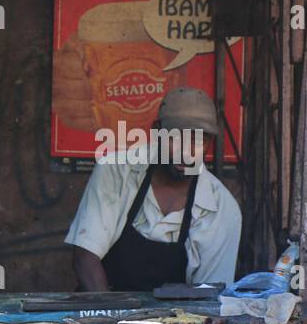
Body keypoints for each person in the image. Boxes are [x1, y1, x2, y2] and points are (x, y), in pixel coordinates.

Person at [66, 87, 241, 292]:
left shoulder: (221, 209)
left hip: (175, 321)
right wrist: (111, 319)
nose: (186, 151)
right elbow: (85, 258)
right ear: (157, 130)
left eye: (197, 140)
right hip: (101, 311)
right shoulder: (116, 170)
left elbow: (208, 295)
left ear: (210, 143)